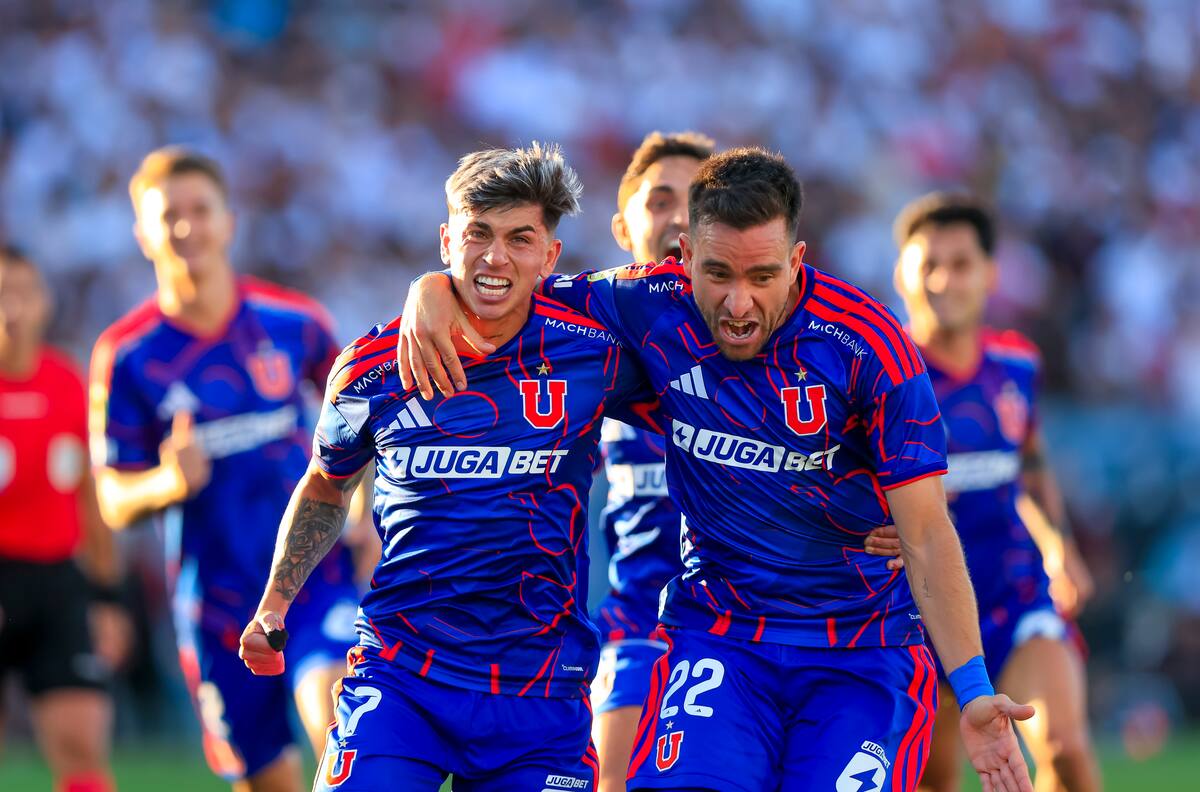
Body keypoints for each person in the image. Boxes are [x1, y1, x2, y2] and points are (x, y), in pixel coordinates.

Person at [399, 147, 1036, 792]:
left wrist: (974, 690)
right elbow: (515, 285)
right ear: (684, 254)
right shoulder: (645, 304)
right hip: (721, 637)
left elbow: (925, 531)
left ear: (796, 260)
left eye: (762, 276)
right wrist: (432, 288)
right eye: (718, 273)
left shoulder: (868, 347)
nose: (738, 303)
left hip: (861, 651)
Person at [240, 143, 657, 791]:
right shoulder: (370, 367)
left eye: (520, 239)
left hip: (541, 694)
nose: (495, 257)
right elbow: (325, 484)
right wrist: (274, 602)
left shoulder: (595, 353)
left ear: (550, 256)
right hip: (404, 676)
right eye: (478, 234)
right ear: (445, 242)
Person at [89, 147, 360, 792]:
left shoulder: (294, 323)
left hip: (312, 574)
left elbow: (370, 419)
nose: (187, 227)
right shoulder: (127, 355)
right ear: (143, 233)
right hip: (217, 605)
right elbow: (112, 499)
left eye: (200, 210)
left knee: (339, 718)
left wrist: (368, 510)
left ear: (228, 221)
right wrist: (167, 482)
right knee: (265, 779)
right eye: (168, 215)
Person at [886, 193, 1101, 792]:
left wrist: (1061, 548)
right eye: (928, 264)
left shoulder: (1016, 364)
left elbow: (1029, 462)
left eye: (960, 264)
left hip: (1015, 595)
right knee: (933, 778)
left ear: (989, 274)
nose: (942, 280)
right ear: (901, 274)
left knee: (1065, 749)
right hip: (919, 611)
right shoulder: (881, 373)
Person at [590, 130, 713, 792]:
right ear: (622, 227)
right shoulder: (585, 347)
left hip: (743, 621)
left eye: (699, 202)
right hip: (636, 621)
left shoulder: (767, 335)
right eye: (661, 200)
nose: (681, 218)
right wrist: (432, 289)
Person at [0, 247, 130, 792]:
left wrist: (108, 597)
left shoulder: (68, 383)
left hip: (57, 583)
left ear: (44, 302)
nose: (12, 307)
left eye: (23, 292)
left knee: (82, 749)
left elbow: (92, 499)